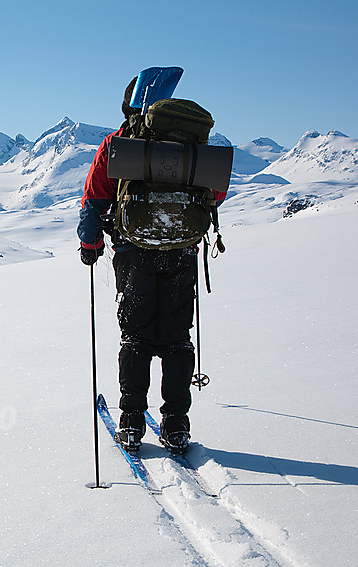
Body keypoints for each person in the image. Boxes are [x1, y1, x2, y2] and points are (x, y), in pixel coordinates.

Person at [77, 84, 227, 454]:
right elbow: (216, 193)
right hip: (181, 251)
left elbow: (95, 195)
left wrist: (90, 243)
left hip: (133, 251)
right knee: (177, 338)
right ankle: (176, 425)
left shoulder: (122, 142)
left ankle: (131, 422)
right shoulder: (192, 146)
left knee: (136, 337)